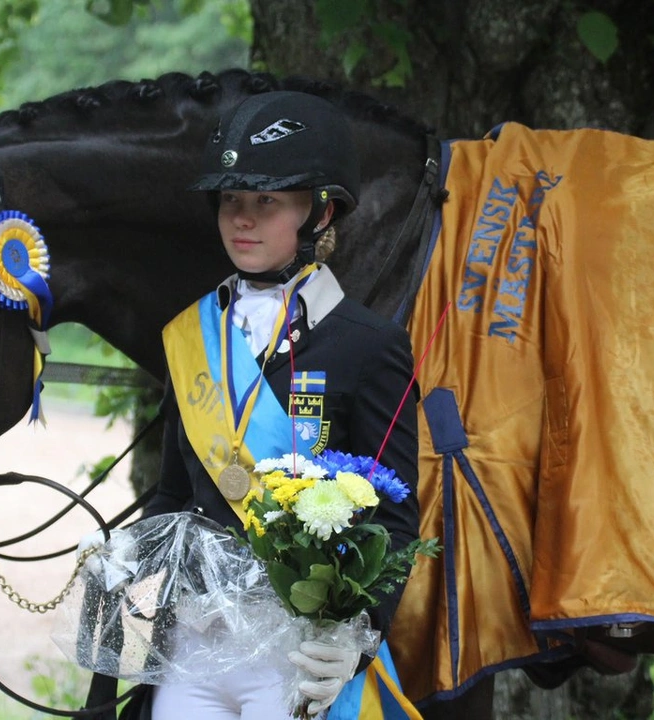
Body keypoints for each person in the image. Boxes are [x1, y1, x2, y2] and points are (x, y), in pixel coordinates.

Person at [85, 91, 421, 720]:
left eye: (267, 201)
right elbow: (173, 496)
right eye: (232, 201)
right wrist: (123, 559)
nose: (243, 219)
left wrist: (358, 637)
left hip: (295, 652)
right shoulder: (192, 337)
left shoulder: (369, 347)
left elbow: (399, 524)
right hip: (196, 645)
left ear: (320, 212)